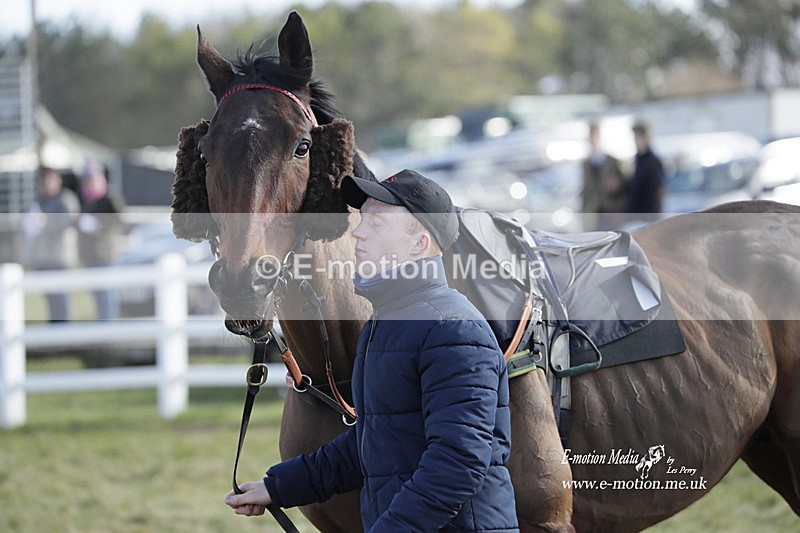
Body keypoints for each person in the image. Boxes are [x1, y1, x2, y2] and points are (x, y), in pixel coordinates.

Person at [225, 169, 519, 532]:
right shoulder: (386, 324)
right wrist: (278, 487)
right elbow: (371, 443)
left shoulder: (452, 329)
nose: (358, 232)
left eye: (377, 224)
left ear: (420, 244)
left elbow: (457, 465)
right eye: (362, 219)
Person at [21, 168, 81, 322]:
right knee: (49, 297)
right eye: (45, 181)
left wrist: (45, 223)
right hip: (42, 257)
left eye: (51, 180)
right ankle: (54, 329)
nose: (47, 184)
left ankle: (63, 332)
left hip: (59, 257)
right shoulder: (38, 200)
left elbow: (67, 222)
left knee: (61, 297)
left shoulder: (66, 200)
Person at [77, 160, 126, 320]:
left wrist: (98, 226)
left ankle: (108, 330)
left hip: (106, 253)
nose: (89, 183)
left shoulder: (109, 198)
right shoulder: (85, 201)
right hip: (89, 255)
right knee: (98, 295)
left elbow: (119, 219)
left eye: (92, 179)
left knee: (107, 295)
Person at [581, 121, 627, 230]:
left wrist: (616, 186)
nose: (592, 140)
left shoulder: (613, 161)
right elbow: (586, 190)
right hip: (593, 213)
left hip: (610, 212)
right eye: (591, 136)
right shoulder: (586, 164)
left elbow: (625, 184)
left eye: (595, 136)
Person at [626, 121, 665, 221]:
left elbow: (658, 192)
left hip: (647, 218)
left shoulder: (653, 162)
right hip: (635, 217)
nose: (635, 141)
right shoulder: (637, 160)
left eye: (638, 137)